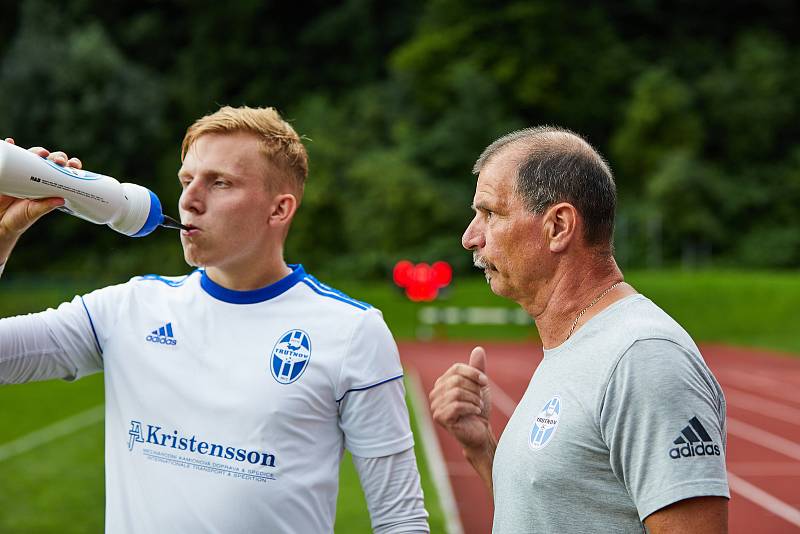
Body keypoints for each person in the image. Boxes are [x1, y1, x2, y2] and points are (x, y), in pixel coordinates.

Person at [0, 106, 430, 533]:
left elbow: (401, 521)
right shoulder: (127, 309)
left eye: (219, 182)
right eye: (187, 180)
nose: (189, 199)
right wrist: (2, 238)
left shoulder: (353, 332)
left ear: (279, 210)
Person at [429, 127, 729, 533]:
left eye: (491, 214)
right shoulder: (576, 345)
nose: (470, 238)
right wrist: (482, 449)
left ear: (558, 226)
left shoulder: (642, 357)